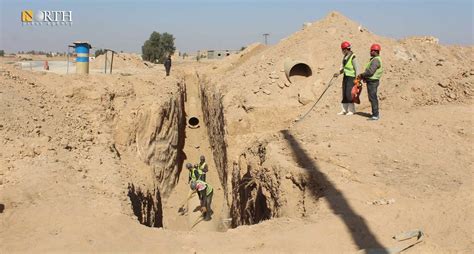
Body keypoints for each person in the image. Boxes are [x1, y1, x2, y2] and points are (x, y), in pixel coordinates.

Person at [358, 44, 383, 121]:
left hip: (373, 82)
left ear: (376, 51)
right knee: (372, 97)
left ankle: (375, 115)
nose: (370, 52)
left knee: (373, 98)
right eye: (371, 50)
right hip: (372, 81)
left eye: (372, 51)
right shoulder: (374, 59)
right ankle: (375, 114)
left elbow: (370, 72)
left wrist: (362, 75)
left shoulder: (375, 60)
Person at [334, 41, 359, 115]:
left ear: (345, 49)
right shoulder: (345, 57)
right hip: (346, 76)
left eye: (342, 50)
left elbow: (357, 68)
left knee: (349, 93)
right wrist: (338, 73)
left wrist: (357, 79)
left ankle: (351, 110)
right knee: (344, 93)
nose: (342, 51)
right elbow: (344, 68)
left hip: (351, 77)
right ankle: (344, 110)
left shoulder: (353, 56)